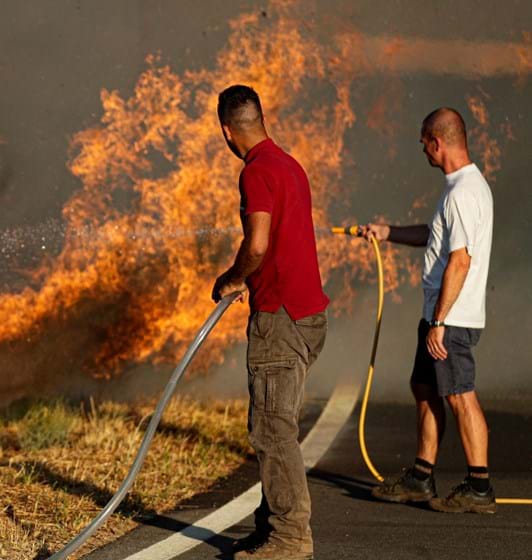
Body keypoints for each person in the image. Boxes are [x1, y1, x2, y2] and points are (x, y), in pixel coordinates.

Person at [212, 84, 329, 560]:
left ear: (226, 130)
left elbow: (257, 245)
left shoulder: (257, 172)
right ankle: (269, 527)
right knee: (276, 423)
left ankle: (289, 538)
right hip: (308, 314)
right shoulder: (289, 164)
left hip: (280, 318)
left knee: (271, 430)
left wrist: (233, 277)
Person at [362, 107, 496, 514]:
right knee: (424, 388)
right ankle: (421, 478)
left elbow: (460, 260)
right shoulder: (460, 188)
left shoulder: (463, 193)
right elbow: (435, 238)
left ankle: (480, 487)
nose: (423, 151)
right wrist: (389, 233)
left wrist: (438, 323)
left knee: (459, 394)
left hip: (451, 319)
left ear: (438, 143)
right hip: (440, 316)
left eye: (424, 144)